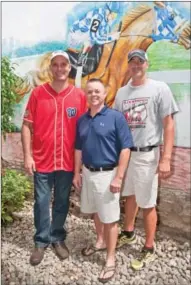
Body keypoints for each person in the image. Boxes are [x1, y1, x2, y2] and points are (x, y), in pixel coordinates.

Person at [114, 49, 179, 270]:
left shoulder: (159, 88)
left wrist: (166, 158)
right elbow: (117, 126)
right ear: (128, 66)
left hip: (148, 155)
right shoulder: (121, 93)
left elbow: (169, 124)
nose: (136, 65)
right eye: (132, 62)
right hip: (127, 154)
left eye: (139, 62)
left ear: (146, 64)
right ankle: (129, 232)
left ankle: (149, 247)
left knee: (148, 202)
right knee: (130, 195)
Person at [21, 51, 87, 266]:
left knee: (61, 202)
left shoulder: (79, 96)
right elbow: (26, 125)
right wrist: (28, 156)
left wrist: (83, 162)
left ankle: (57, 237)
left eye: (64, 64)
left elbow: (85, 131)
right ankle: (41, 241)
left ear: (70, 68)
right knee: (41, 202)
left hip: (67, 162)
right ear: (51, 68)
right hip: (42, 160)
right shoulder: (39, 93)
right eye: (56, 65)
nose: (60, 68)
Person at [73, 78, 133, 283]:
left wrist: (119, 177)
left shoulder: (116, 117)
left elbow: (126, 148)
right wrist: (76, 173)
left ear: (105, 94)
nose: (93, 95)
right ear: (86, 95)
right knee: (96, 212)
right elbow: (78, 149)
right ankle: (99, 241)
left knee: (110, 218)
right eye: (90, 92)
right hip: (87, 173)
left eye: (97, 91)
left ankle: (110, 258)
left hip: (108, 175)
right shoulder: (82, 120)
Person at [68, 2, 121, 87]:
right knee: (89, 42)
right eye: (114, 14)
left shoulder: (106, 18)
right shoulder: (97, 17)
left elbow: (102, 35)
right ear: (108, 11)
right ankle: (79, 67)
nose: (114, 17)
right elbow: (95, 38)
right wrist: (112, 37)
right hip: (76, 35)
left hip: (87, 34)